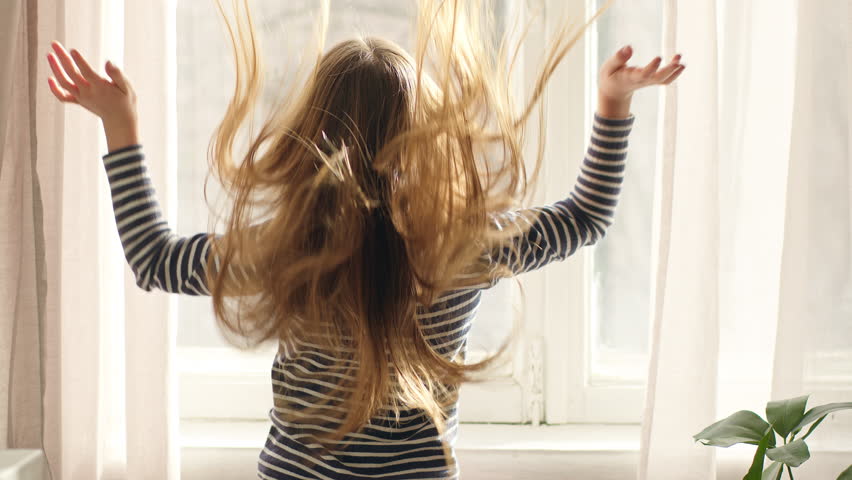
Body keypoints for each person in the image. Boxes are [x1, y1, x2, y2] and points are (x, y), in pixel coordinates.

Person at [47, 1, 684, 478]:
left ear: (312, 137)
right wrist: (611, 103)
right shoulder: (460, 250)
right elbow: (587, 218)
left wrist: (120, 126)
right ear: (427, 139)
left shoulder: (286, 251)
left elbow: (153, 260)